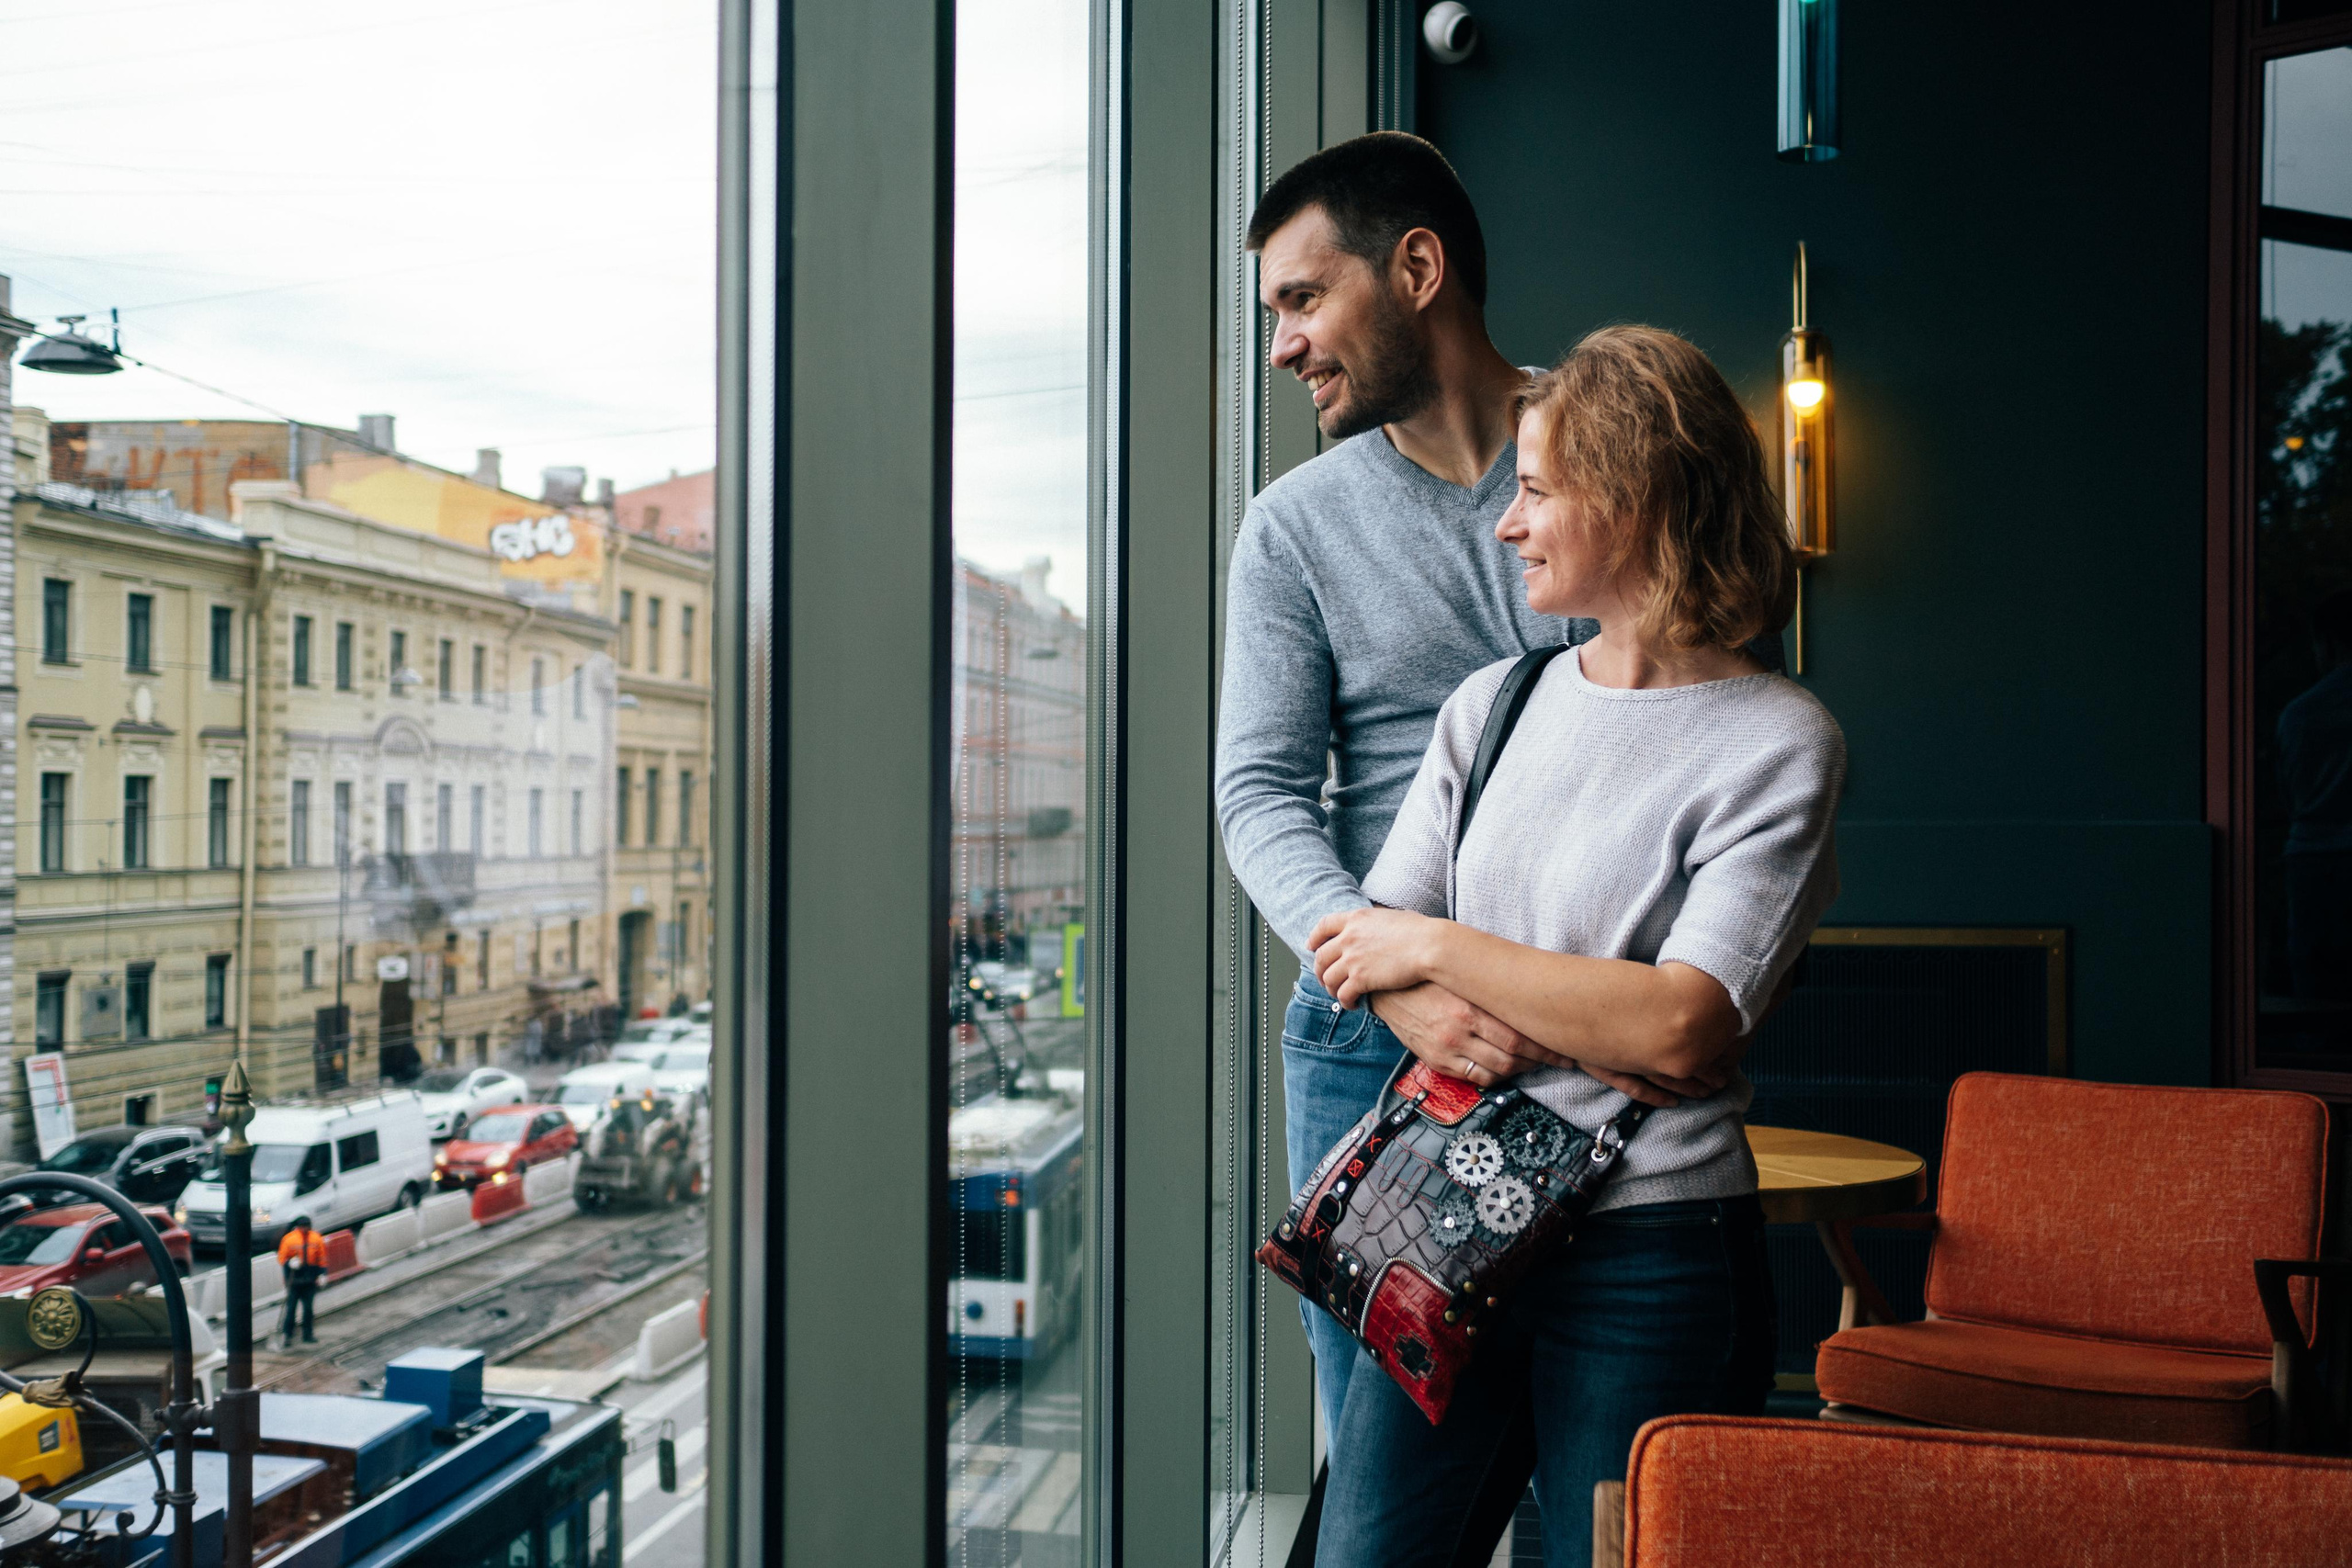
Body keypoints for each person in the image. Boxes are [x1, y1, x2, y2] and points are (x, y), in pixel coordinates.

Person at [1215, 133, 1763, 1448]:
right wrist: (1389, 970)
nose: (1282, 343)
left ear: (1415, 267)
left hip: (1592, 1003)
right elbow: (1260, 793)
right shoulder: (1291, 525)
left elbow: (1734, 718)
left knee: (1603, 1449)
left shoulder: (1620, 451)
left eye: (1302, 299)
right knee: (1390, 1470)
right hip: (1371, 1031)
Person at [1303, 326, 1846, 1567]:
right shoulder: (1492, 704)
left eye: (1539, 493)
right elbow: (1356, 947)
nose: (1511, 525)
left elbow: (1680, 1024)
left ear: (1639, 498)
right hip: (1442, 1221)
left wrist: (1437, 944)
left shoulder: (1778, 739)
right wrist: (1435, 985)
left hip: (1651, 1254)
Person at [277, 1214, 329, 1347]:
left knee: (308, 1309)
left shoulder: (316, 1238)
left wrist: (322, 1274)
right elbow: (282, 1258)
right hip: (294, 1280)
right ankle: (287, 1335)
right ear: (298, 1227)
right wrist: (289, 1263)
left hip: (310, 1279)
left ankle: (308, 1334)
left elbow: (321, 1258)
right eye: (303, 1227)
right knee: (291, 1310)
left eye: (307, 1227)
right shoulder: (289, 1240)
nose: (305, 1229)